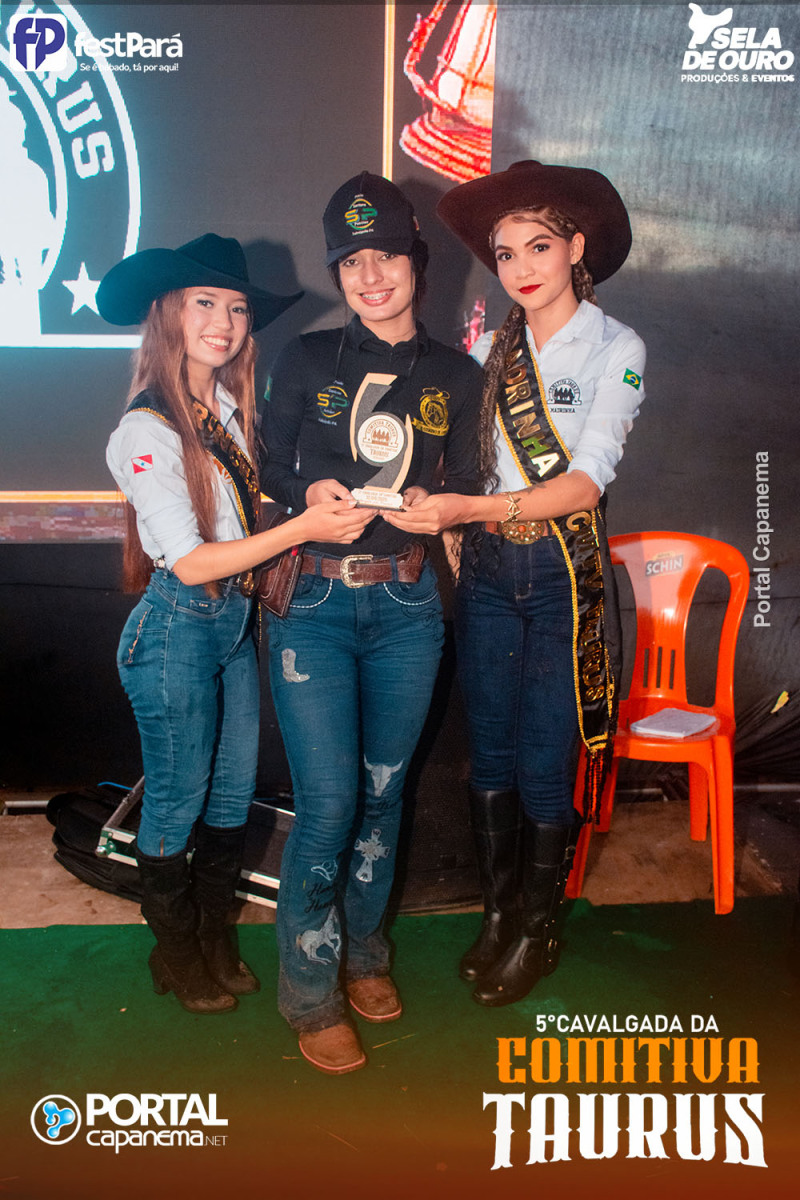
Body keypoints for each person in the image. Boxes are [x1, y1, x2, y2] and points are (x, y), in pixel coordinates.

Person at [386, 160, 645, 1006]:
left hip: (562, 571)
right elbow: (459, 467)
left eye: (539, 245)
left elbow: (584, 485)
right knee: (489, 752)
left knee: (542, 760)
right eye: (505, 253)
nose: (522, 267)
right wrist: (446, 515)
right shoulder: (486, 351)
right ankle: (499, 918)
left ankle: (539, 930)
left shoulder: (617, 348)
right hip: (491, 571)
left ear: (576, 248)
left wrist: (471, 507)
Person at [98, 234, 371, 1015]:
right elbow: (189, 562)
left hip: (232, 623)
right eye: (204, 303)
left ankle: (214, 941)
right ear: (167, 314)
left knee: (230, 798)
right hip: (176, 629)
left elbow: (248, 512)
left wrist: (308, 497)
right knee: (177, 800)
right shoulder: (144, 429)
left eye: (238, 308)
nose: (223, 322)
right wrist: (302, 530)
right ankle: (177, 952)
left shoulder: (224, 406)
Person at [261, 172, 483, 1073]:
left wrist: (441, 505)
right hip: (313, 605)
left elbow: (468, 480)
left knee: (385, 797)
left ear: (417, 264)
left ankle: (366, 955)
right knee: (328, 806)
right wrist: (307, 491)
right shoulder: (307, 357)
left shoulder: (456, 375)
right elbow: (270, 465)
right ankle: (309, 990)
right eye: (352, 262)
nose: (371, 276)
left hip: (406, 607)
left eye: (386, 255)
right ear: (338, 273)